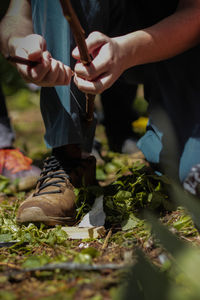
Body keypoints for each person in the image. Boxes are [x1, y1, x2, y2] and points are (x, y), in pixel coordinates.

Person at [1, 0, 140, 226]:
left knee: (185, 168)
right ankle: (69, 154)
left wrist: (129, 49)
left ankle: (131, 126)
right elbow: (16, 14)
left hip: (154, 27)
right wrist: (18, 45)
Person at [73, 0, 200, 183]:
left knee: (185, 168)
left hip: (175, 35)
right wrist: (20, 39)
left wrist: (125, 51)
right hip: (121, 23)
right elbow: (24, 9)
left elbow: (195, 10)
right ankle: (68, 151)